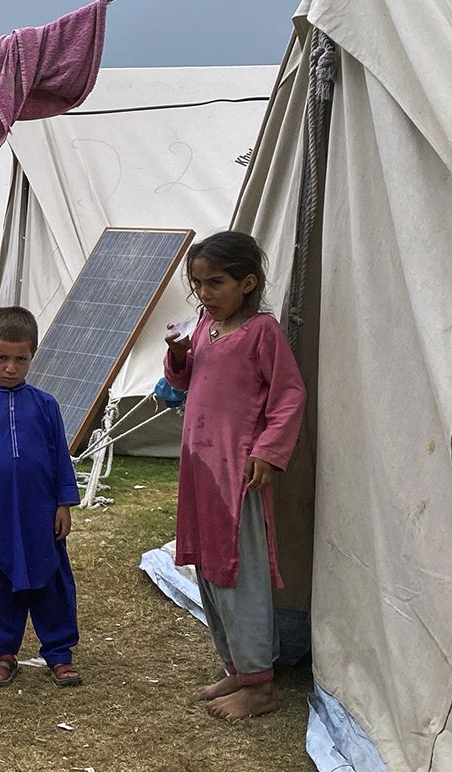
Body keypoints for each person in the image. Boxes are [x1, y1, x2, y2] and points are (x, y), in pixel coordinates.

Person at [162, 231, 306, 720]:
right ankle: (238, 668)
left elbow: (289, 396)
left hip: (236, 472)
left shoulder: (262, 332)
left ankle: (260, 684)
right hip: (200, 470)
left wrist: (267, 452)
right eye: (198, 284)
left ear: (247, 283)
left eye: (215, 283)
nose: (204, 293)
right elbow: (186, 382)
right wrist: (179, 356)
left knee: (237, 571)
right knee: (208, 567)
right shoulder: (206, 327)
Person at [0, 307, 83, 688]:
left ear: (33, 354)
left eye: (21, 358)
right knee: (1, 583)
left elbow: (59, 456)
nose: (11, 367)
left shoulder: (46, 404)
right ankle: (4, 653)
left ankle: (59, 654)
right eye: (2, 358)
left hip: (41, 512)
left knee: (51, 581)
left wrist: (64, 502)